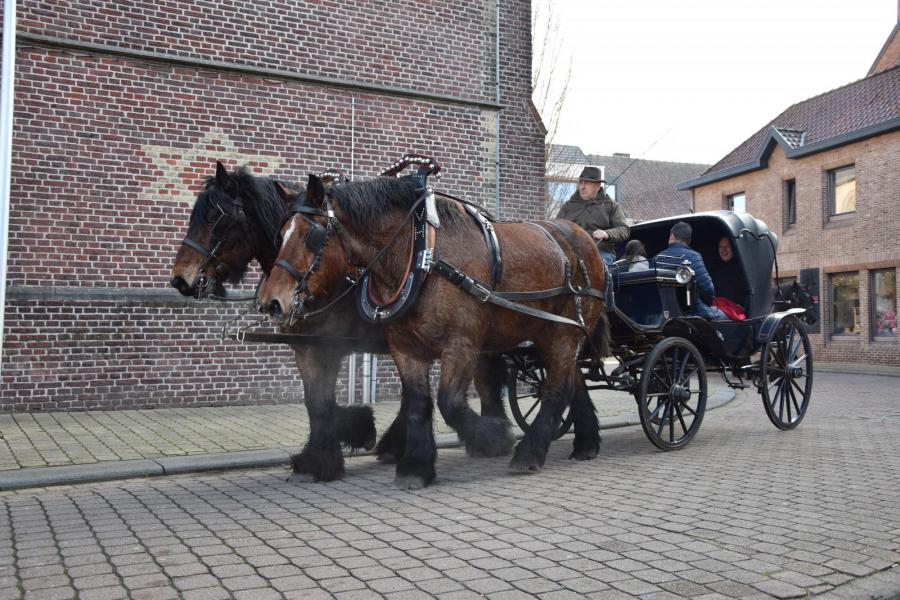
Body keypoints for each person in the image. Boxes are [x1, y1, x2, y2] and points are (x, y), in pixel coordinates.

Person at [556, 166, 630, 265]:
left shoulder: (611, 205)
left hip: (601, 253)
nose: (582, 187)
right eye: (581, 183)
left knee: (591, 266)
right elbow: (555, 229)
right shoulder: (568, 206)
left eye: (586, 183)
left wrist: (606, 233)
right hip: (571, 254)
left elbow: (624, 230)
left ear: (597, 186)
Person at [654, 221, 727, 320]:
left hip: (660, 315)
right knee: (724, 315)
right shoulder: (694, 256)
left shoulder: (656, 259)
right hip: (691, 313)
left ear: (672, 236)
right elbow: (709, 289)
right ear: (689, 240)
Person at [709, 236, 749, 310]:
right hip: (718, 306)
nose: (723, 250)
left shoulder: (742, 268)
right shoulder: (714, 267)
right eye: (721, 247)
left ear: (733, 248)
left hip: (734, 308)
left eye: (727, 247)